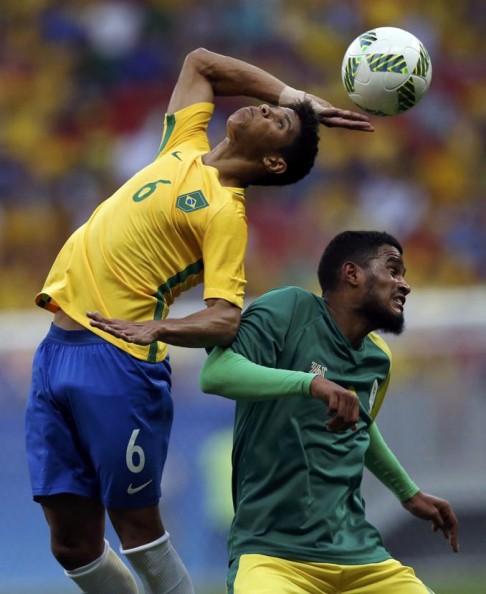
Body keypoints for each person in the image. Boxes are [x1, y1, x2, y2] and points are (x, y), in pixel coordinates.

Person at [25, 48, 374, 594]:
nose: (258, 110)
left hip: (119, 364)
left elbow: (225, 319)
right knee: (71, 544)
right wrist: (293, 99)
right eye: (265, 108)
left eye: (275, 122)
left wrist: (157, 329)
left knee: (138, 532)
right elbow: (200, 63)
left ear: (274, 164)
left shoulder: (225, 215)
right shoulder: (184, 146)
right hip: (55, 353)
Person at [199, 230, 459, 594]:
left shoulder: (378, 359)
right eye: (393, 269)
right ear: (352, 274)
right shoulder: (288, 309)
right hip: (273, 556)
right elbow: (215, 374)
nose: (405, 285)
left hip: (361, 557)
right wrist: (311, 384)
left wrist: (408, 493)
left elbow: (361, 429)